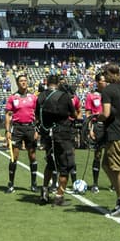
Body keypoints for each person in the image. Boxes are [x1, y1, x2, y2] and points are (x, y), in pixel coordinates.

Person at [36, 74, 78, 206]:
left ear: (47, 82)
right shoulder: (64, 96)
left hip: (47, 134)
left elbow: (37, 114)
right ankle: (59, 196)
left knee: (50, 163)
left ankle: (44, 192)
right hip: (63, 134)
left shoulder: (41, 96)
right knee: (65, 165)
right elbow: (74, 114)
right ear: (58, 83)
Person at [98, 64, 120, 216]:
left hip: (114, 133)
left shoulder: (108, 90)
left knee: (119, 169)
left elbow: (105, 113)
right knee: (106, 164)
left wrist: (95, 118)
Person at [4, 73, 40, 193]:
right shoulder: (13, 98)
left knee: (32, 156)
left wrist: (37, 129)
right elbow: (8, 115)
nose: (23, 82)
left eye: (25, 80)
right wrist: (8, 130)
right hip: (17, 129)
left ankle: (34, 183)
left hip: (30, 128)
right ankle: (11, 184)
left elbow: (38, 114)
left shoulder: (33, 98)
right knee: (14, 157)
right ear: (18, 83)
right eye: (21, 81)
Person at [83, 73, 107, 192]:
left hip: (110, 127)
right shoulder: (91, 96)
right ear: (97, 82)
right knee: (97, 155)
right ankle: (95, 183)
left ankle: (113, 183)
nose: (105, 82)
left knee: (112, 155)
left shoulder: (110, 95)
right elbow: (88, 114)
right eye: (103, 80)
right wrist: (89, 128)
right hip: (98, 127)